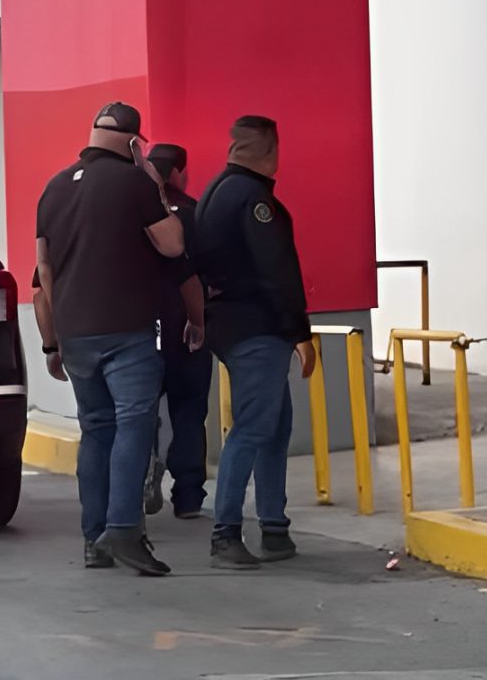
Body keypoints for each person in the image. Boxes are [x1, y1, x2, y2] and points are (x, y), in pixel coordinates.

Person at [35, 102, 199, 576]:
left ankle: (96, 540)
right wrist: (153, 184)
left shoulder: (53, 188)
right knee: (134, 424)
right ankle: (125, 530)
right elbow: (172, 244)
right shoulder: (134, 182)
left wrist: (53, 340)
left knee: (96, 431)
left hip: (75, 334)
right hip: (126, 331)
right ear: (133, 143)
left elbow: (44, 271)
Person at [194, 116, 315, 569]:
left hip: (228, 325)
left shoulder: (215, 191)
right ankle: (225, 533)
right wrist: (300, 332)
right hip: (256, 329)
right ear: (271, 150)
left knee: (274, 425)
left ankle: (275, 528)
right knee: (252, 428)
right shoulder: (255, 200)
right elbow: (276, 271)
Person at [143, 143, 213, 520]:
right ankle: (187, 496)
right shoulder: (193, 212)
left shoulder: (135, 211)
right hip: (187, 329)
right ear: (177, 173)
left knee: (142, 409)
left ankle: (146, 468)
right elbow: (205, 273)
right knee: (189, 411)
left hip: (140, 330)